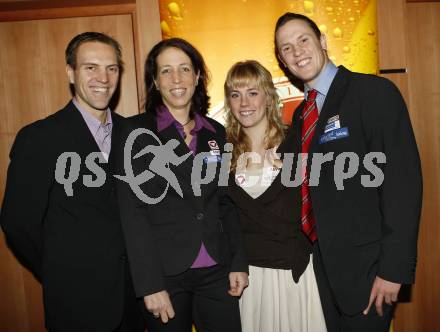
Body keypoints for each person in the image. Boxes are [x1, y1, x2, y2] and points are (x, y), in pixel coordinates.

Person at [274, 12, 422, 332]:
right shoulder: (302, 114)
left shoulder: (372, 93)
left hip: (369, 272)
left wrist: (393, 269)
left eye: (303, 40)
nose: (297, 51)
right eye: (286, 48)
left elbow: (402, 185)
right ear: (283, 62)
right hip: (323, 272)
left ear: (323, 41)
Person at [0, 32, 143, 332]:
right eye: (90, 67)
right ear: (70, 72)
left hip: (133, 302)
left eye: (111, 68)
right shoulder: (40, 138)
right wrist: (58, 269)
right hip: (75, 304)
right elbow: (18, 223)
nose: (102, 77)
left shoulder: (134, 135)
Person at [118, 37, 248, 332]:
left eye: (184, 69)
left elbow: (225, 202)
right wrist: (149, 284)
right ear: (154, 80)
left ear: (198, 76)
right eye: (165, 71)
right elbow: (132, 213)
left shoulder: (215, 132)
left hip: (217, 271)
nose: (176, 79)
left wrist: (238, 261)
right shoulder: (135, 132)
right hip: (165, 276)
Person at [224, 60, 327, 332]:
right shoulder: (222, 152)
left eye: (253, 93)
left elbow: (322, 204)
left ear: (269, 97)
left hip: (293, 273)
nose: (244, 102)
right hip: (248, 277)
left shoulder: (297, 142)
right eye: (236, 94)